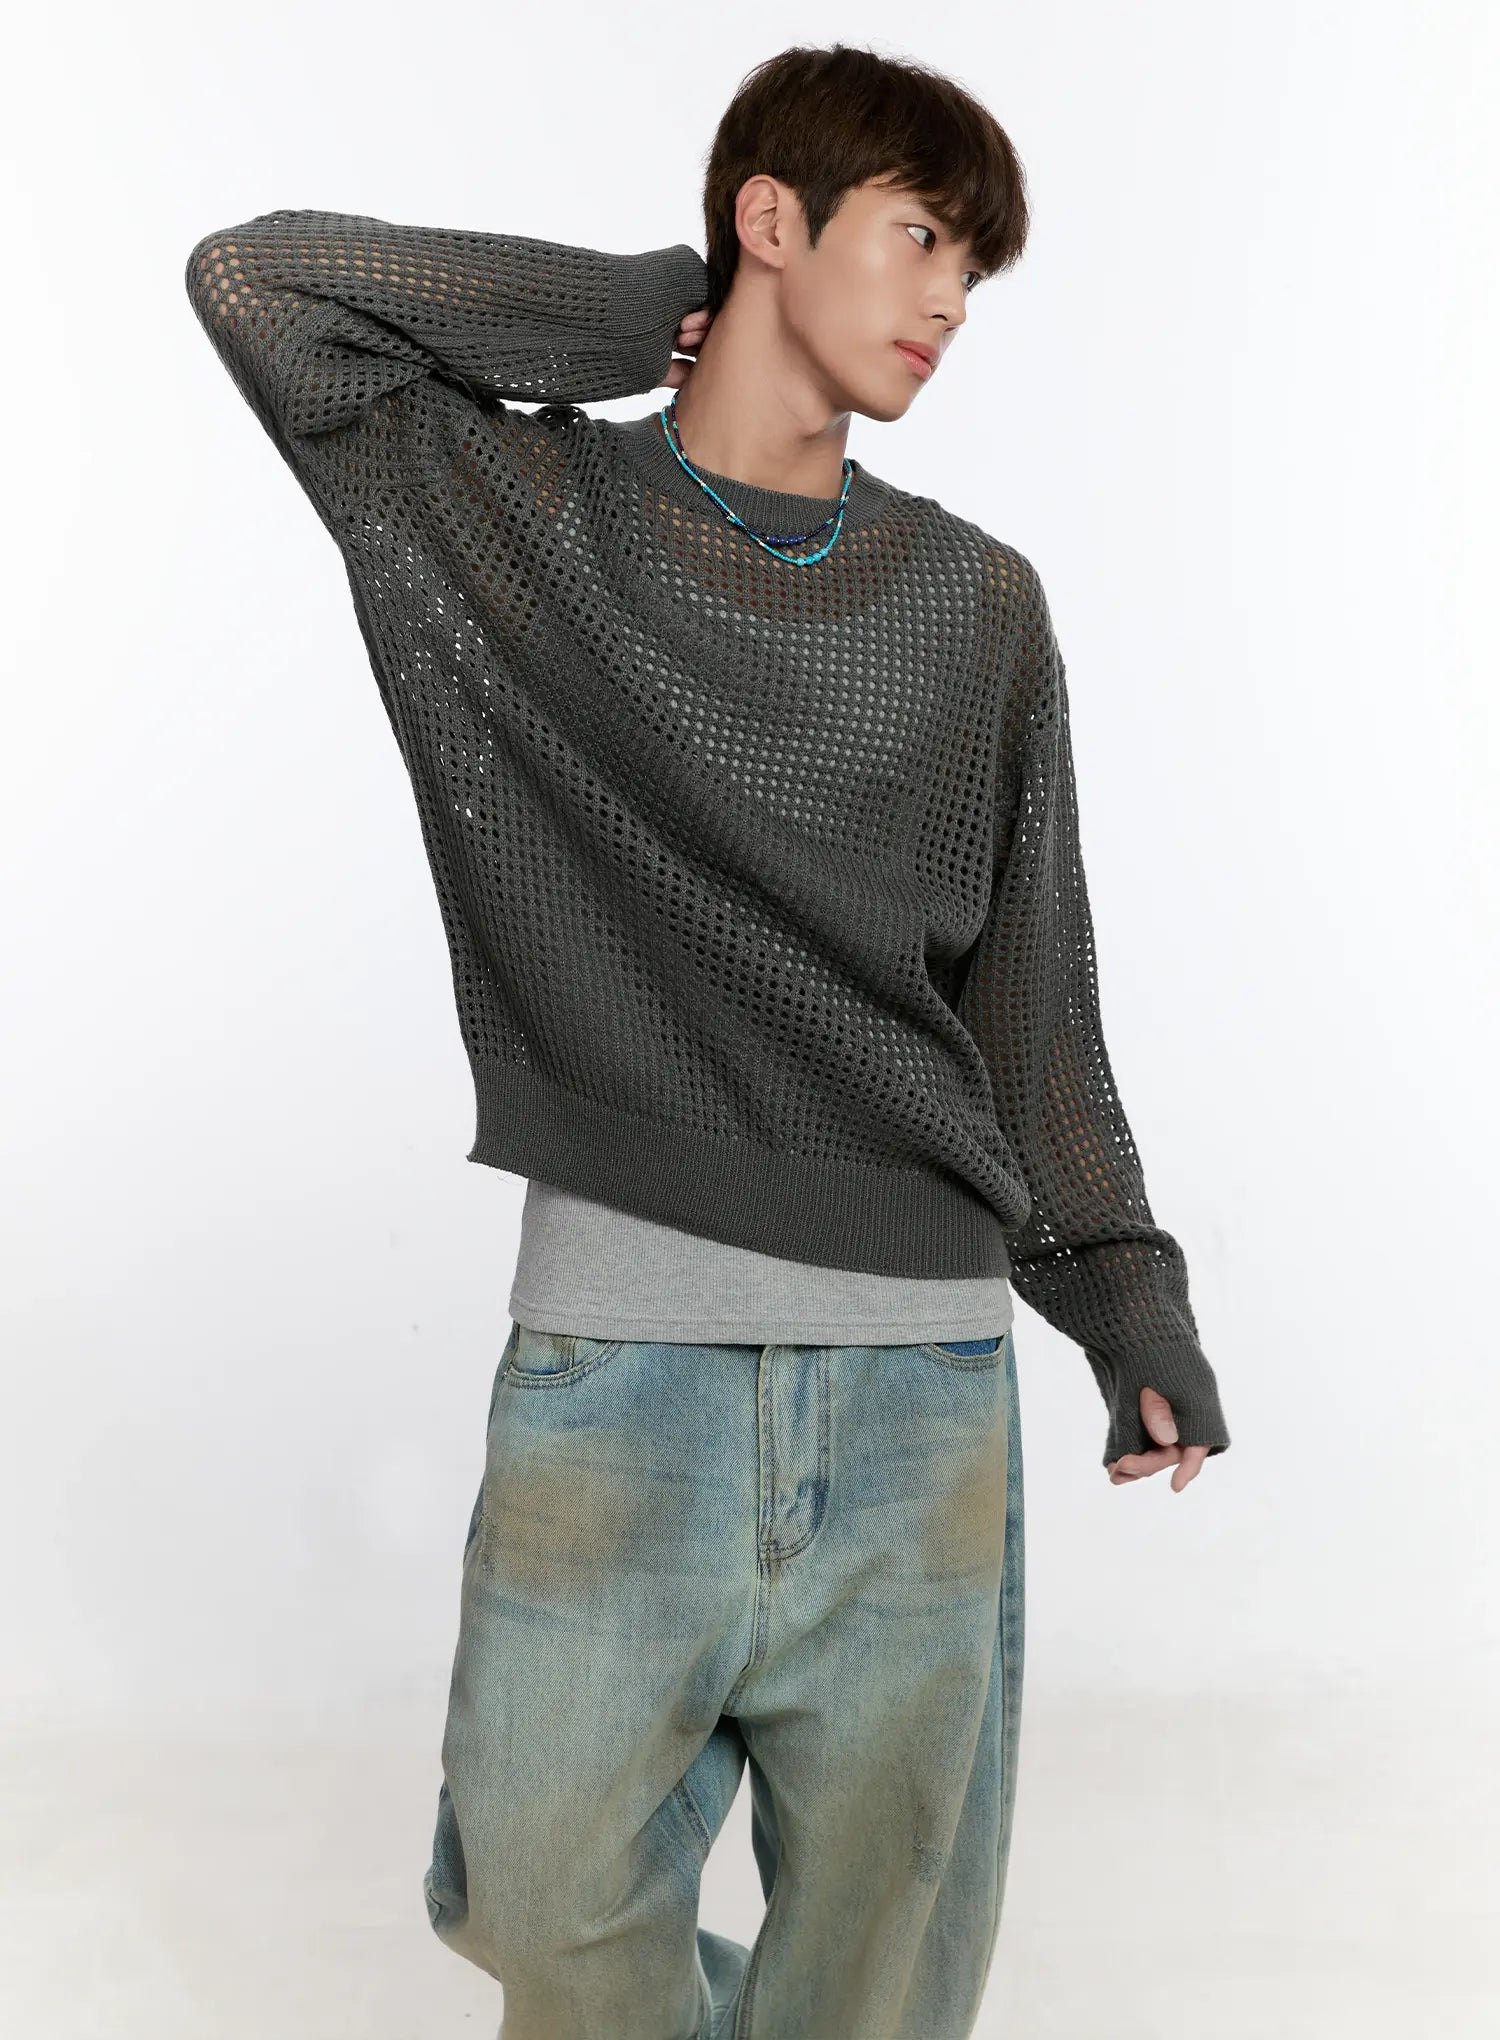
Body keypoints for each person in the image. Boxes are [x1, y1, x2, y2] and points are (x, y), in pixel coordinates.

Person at [185, 37, 1231, 2040]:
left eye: (972, 269)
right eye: (918, 238)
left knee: (884, 1976)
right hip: (624, 1367)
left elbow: (1030, 1001)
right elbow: (262, 286)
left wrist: (1125, 1299)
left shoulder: (976, 605)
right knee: (543, 1910)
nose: (948, 301)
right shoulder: (521, 517)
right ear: (772, 220)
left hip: (921, 1388)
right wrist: (629, 318)